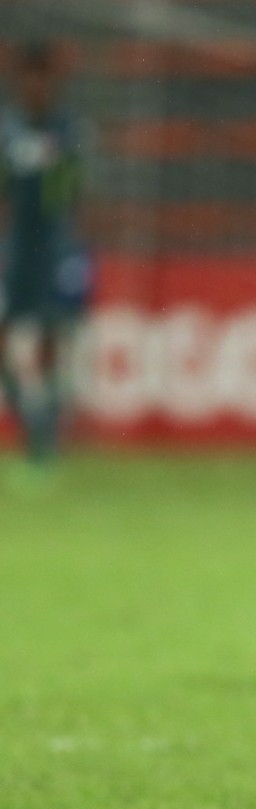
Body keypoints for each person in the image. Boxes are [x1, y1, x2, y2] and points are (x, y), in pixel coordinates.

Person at [0, 41, 91, 481]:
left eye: (42, 80)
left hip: (59, 246)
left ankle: (53, 432)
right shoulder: (7, 129)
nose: (34, 88)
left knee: (63, 337)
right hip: (18, 248)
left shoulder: (69, 129)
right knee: (16, 343)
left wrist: (78, 247)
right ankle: (36, 430)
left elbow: (78, 192)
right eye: (28, 80)